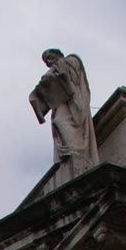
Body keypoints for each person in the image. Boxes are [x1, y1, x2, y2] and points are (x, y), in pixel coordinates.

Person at [28, 48, 99, 183]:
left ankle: (75, 151)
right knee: (57, 121)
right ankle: (70, 152)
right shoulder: (55, 67)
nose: (49, 62)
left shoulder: (71, 60)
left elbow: (73, 79)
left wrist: (55, 76)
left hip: (73, 104)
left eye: (50, 57)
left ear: (58, 54)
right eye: (46, 61)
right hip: (60, 103)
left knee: (60, 121)